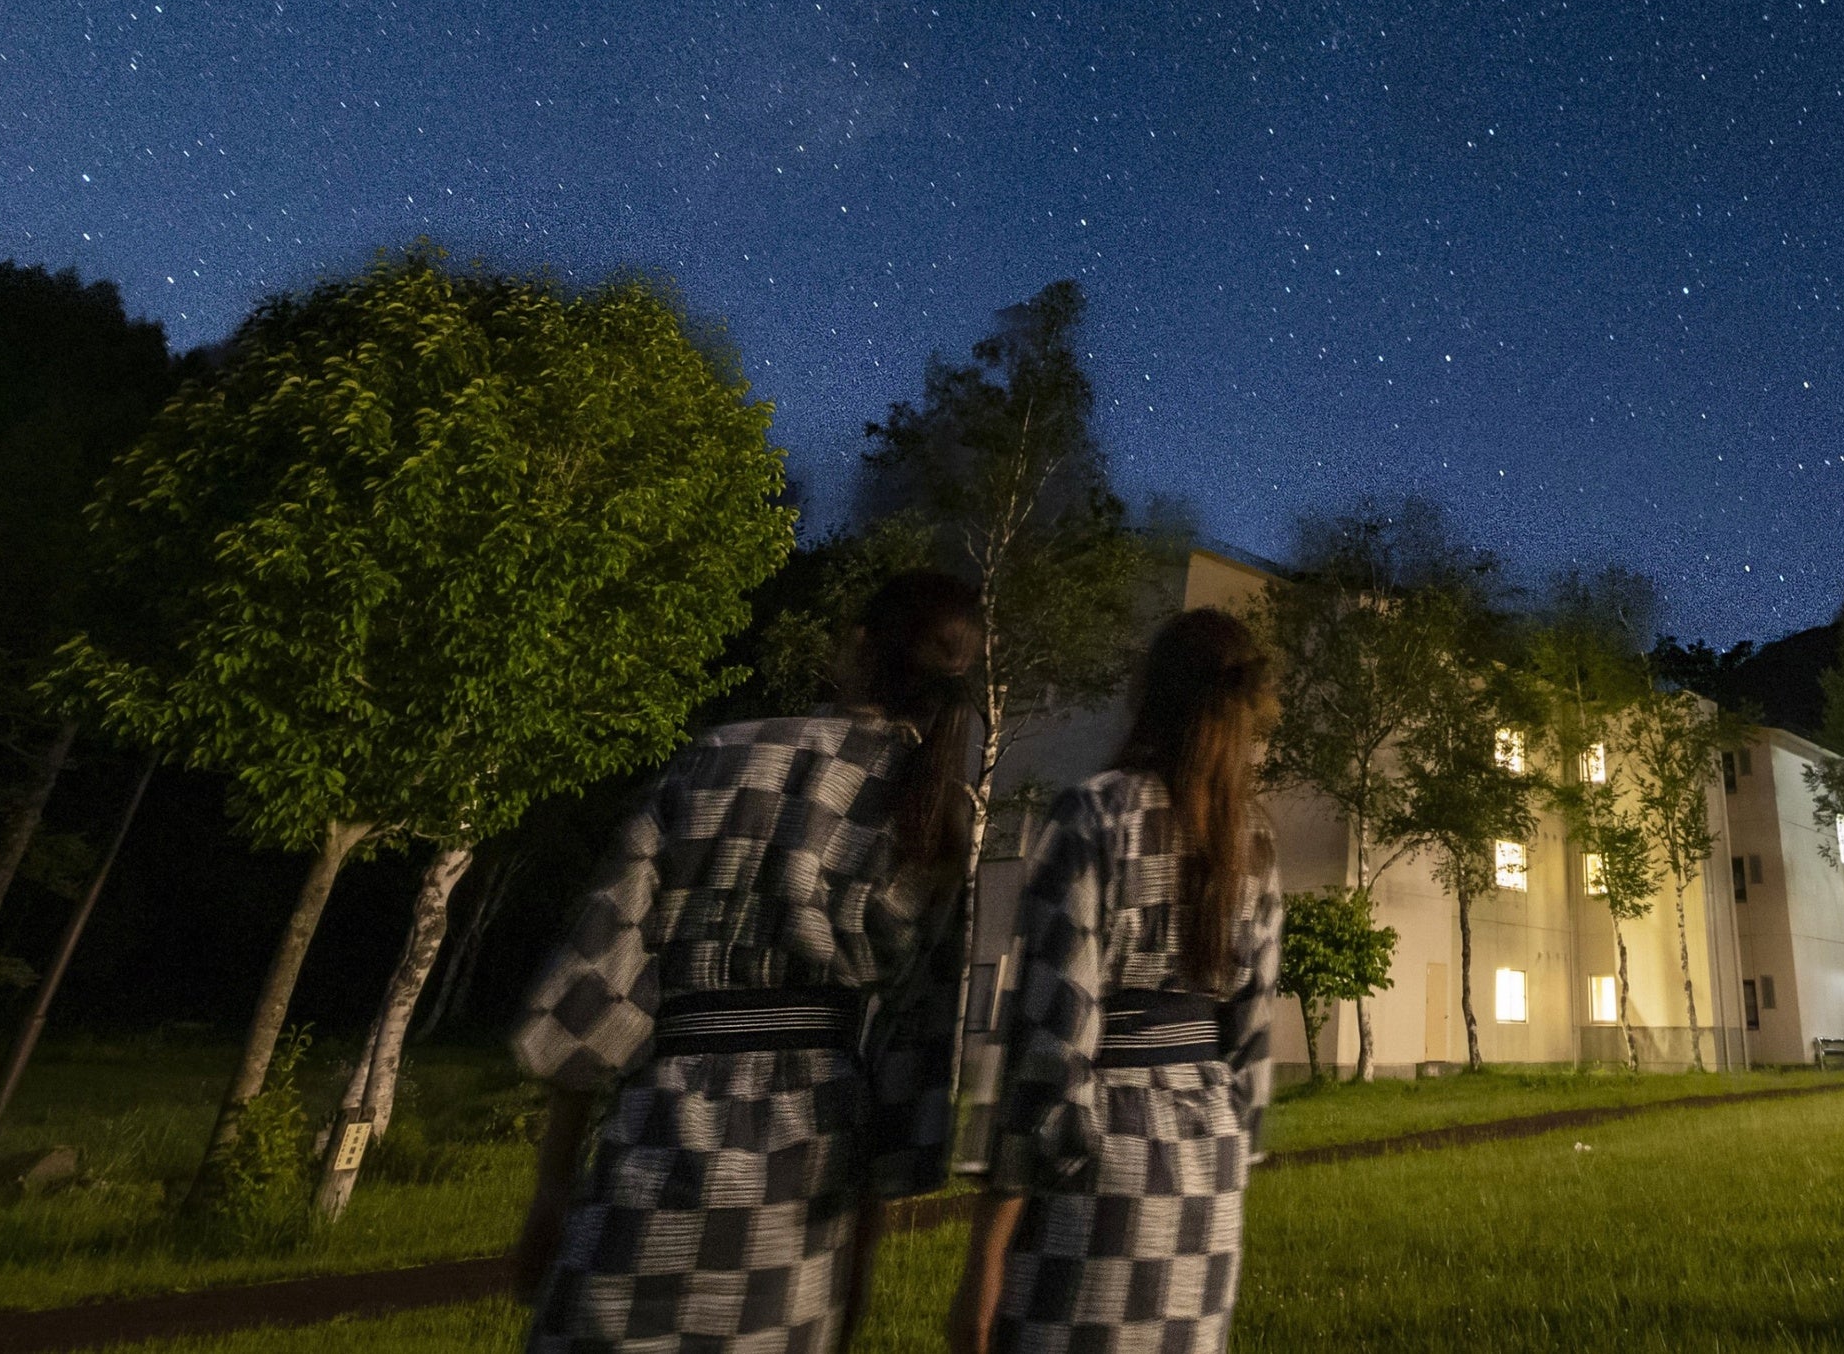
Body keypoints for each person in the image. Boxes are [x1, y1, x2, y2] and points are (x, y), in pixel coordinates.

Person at [509, 569, 985, 1354]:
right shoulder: (936, 810)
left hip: (656, 1142)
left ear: (858, 649)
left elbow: (599, 975)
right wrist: (857, 1265)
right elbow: (909, 1059)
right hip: (804, 1179)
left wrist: (552, 1191)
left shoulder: (719, 755)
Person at [950, 607, 1284, 1354]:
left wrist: (984, 1259)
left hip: (1102, 1159)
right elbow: (1252, 1043)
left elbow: (1047, 1040)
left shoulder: (1097, 814)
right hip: (1211, 1170)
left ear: (1151, 696)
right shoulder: (1254, 840)